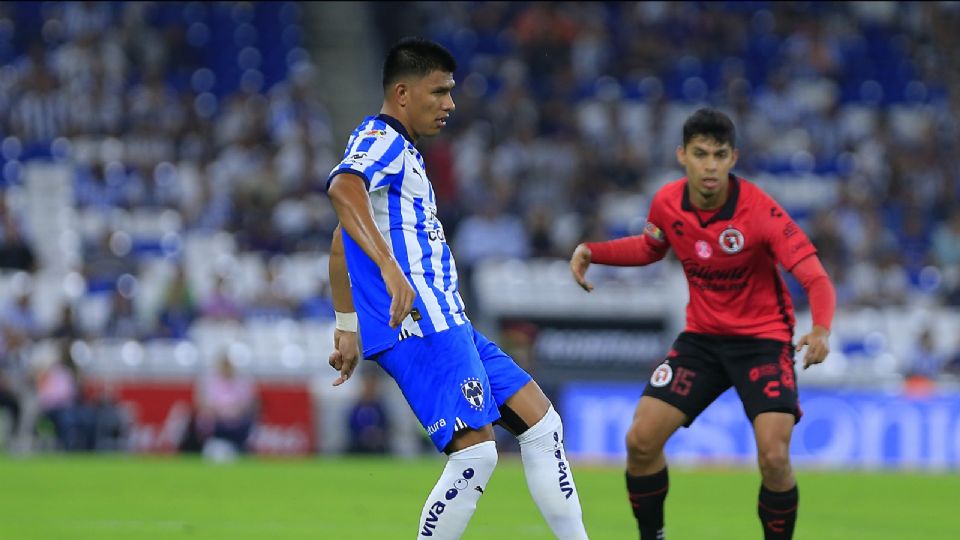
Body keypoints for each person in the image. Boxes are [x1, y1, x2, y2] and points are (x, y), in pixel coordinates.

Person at [326, 38, 589, 539]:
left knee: (542, 427)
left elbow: (342, 241)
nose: (450, 104)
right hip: (420, 322)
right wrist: (388, 267)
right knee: (476, 455)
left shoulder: (402, 153)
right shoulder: (379, 139)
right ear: (403, 93)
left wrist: (345, 326)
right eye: (440, 92)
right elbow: (343, 188)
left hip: (450, 320)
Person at [569, 108, 835, 540]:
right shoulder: (668, 202)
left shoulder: (761, 212)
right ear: (682, 155)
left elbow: (814, 276)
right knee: (641, 441)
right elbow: (651, 247)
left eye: (719, 155)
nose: (710, 165)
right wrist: (594, 251)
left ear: (733, 158)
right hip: (703, 342)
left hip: (762, 343)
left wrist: (821, 327)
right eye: (700, 154)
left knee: (773, 456)